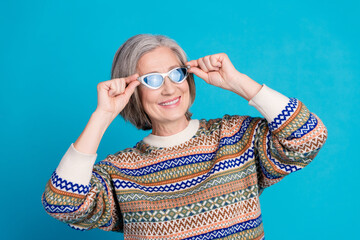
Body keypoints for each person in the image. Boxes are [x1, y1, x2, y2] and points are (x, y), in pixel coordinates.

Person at [41, 34, 328, 240]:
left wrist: (238, 82)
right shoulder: (120, 171)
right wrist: (102, 116)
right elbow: (62, 204)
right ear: (132, 91)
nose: (169, 89)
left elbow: (308, 136)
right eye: (152, 80)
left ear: (189, 78)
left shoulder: (235, 138)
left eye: (176, 74)